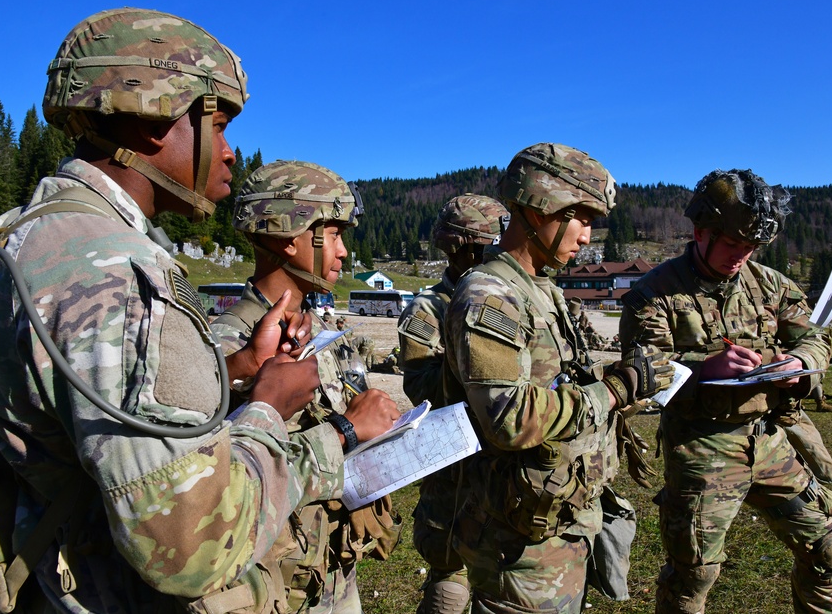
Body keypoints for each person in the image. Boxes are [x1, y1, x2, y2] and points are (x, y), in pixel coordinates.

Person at [0, 8, 335, 613]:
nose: (227, 153)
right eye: (216, 124)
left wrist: (238, 366)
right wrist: (270, 407)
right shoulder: (110, 269)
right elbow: (192, 549)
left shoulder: (34, 232)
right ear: (153, 121)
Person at [443, 143, 673, 613]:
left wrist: (620, 381)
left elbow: (557, 382)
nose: (586, 237)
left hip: (558, 521)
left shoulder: (541, 288)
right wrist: (616, 389)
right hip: (519, 543)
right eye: (580, 217)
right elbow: (510, 419)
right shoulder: (492, 295)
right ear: (538, 206)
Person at [619, 169, 832, 613]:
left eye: (751, 248)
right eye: (732, 245)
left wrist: (799, 364)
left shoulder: (770, 284)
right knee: (695, 573)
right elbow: (640, 373)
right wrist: (704, 369)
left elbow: (815, 338)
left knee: (827, 546)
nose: (741, 256)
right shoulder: (655, 293)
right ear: (699, 231)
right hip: (702, 444)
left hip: (768, 438)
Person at [209, 160, 403, 613]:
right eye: (334, 235)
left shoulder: (321, 331)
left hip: (330, 570)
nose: (344, 253)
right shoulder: (227, 345)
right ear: (290, 236)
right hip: (271, 587)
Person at [396, 193, 508, 614]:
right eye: (489, 246)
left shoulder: (508, 300)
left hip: (508, 470)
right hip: (456, 476)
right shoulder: (429, 309)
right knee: (451, 577)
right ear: (463, 248)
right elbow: (421, 390)